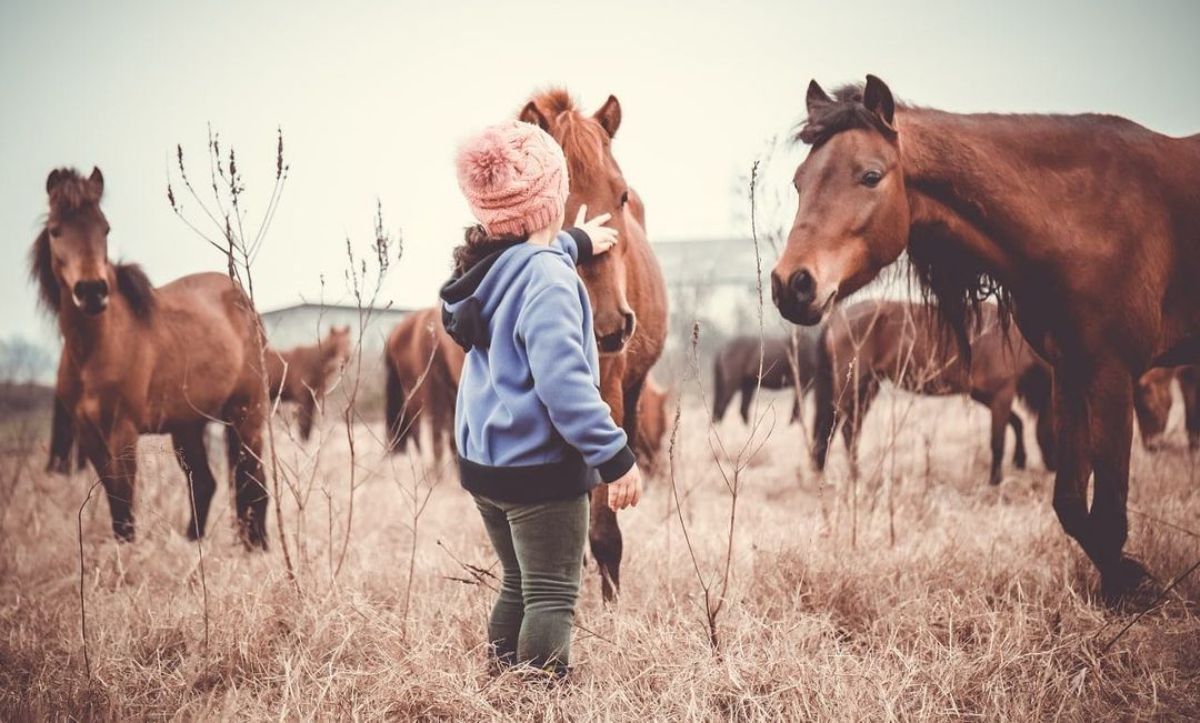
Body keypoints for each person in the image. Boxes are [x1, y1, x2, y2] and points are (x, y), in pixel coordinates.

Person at [440, 119, 643, 679]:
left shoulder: (480, 272)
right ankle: (539, 701)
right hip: (540, 472)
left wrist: (575, 241)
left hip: (487, 467)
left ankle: (500, 685)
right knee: (553, 593)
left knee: (518, 583)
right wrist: (616, 457)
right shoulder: (551, 282)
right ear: (552, 203)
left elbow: (524, 255)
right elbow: (566, 389)